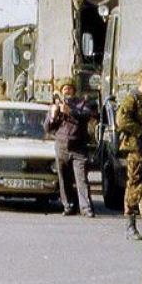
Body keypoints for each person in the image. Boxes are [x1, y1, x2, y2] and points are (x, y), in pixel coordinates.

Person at [116, 69, 142, 241]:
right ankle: (130, 226)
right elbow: (122, 121)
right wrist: (141, 131)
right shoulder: (132, 99)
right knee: (134, 186)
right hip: (136, 149)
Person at [45, 80, 98, 217]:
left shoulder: (82, 103)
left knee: (81, 178)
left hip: (78, 146)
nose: (66, 91)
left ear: (74, 90)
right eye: (64, 89)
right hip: (61, 146)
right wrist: (53, 116)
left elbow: (86, 116)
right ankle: (68, 206)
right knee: (64, 178)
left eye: (69, 89)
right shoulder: (55, 106)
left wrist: (71, 112)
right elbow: (47, 128)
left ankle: (86, 208)